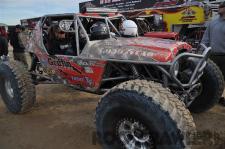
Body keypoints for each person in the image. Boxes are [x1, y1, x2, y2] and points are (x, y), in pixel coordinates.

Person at [201, 1, 225, 106]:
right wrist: (202, 52)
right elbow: (205, 40)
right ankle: (216, 97)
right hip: (212, 56)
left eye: (222, 6)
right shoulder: (213, 22)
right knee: (213, 78)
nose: (219, 7)